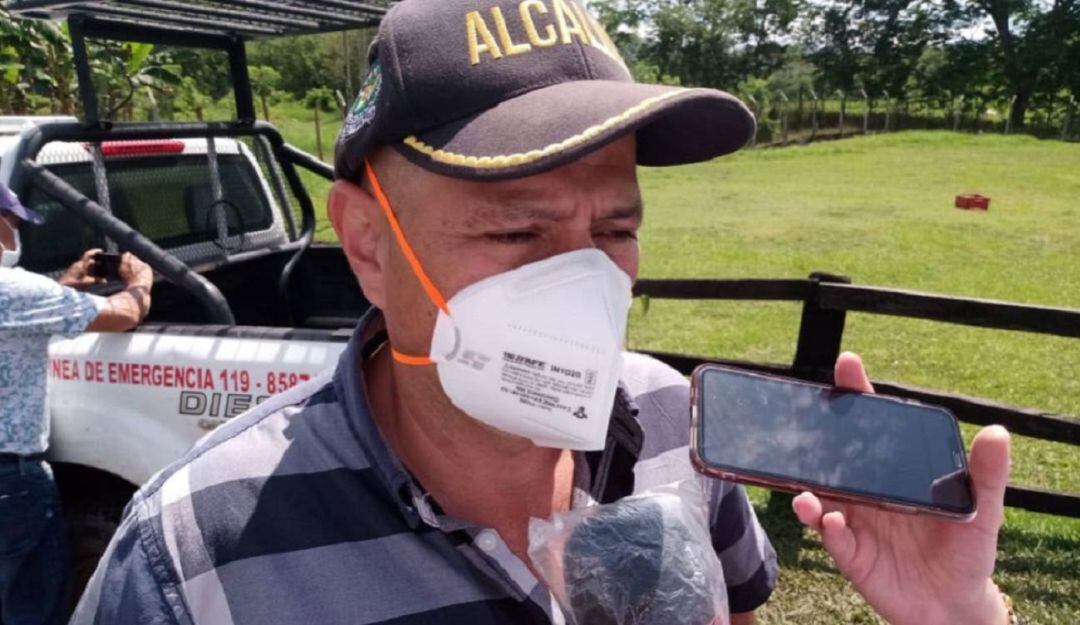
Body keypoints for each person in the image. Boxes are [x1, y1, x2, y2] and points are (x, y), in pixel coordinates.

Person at [70, 1, 1015, 624]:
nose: (587, 285)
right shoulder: (191, 560)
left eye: (615, 227)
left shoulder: (678, 432)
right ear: (366, 242)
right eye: (517, 234)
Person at [0, 182, 153, 625]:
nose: (14, 234)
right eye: (11, 222)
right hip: (11, 480)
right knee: (33, 607)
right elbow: (125, 314)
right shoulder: (18, 291)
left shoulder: (24, 295)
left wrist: (65, 286)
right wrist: (140, 281)